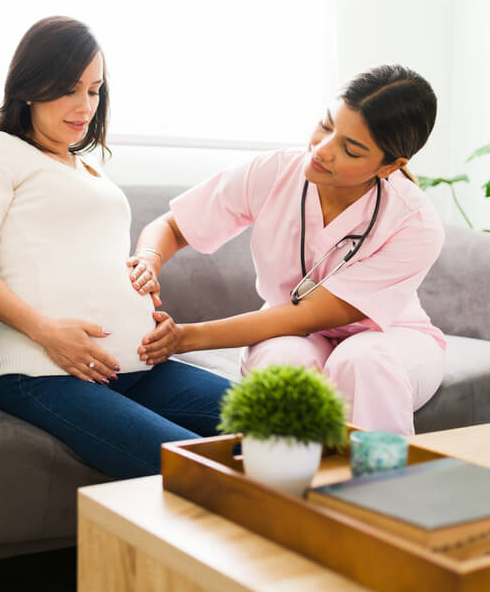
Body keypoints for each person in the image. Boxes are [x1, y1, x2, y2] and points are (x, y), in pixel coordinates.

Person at [0, 16, 231, 479]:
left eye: (94, 90)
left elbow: (83, 257)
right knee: (205, 470)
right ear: (31, 86)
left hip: (141, 367)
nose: (84, 106)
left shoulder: (85, 167)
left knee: (284, 427)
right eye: (68, 89)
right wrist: (48, 332)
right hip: (43, 372)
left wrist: (138, 277)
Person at [129, 65, 445, 436]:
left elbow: (310, 313)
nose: (322, 151)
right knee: (283, 363)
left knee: (362, 361)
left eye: (351, 149)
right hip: (289, 334)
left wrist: (186, 336)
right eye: (327, 126)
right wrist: (148, 260)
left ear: (391, 165)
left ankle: (377, 489)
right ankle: (288, 487)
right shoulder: (275, 171)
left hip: (392, 336)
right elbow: (170, 226)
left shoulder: (414, 222)